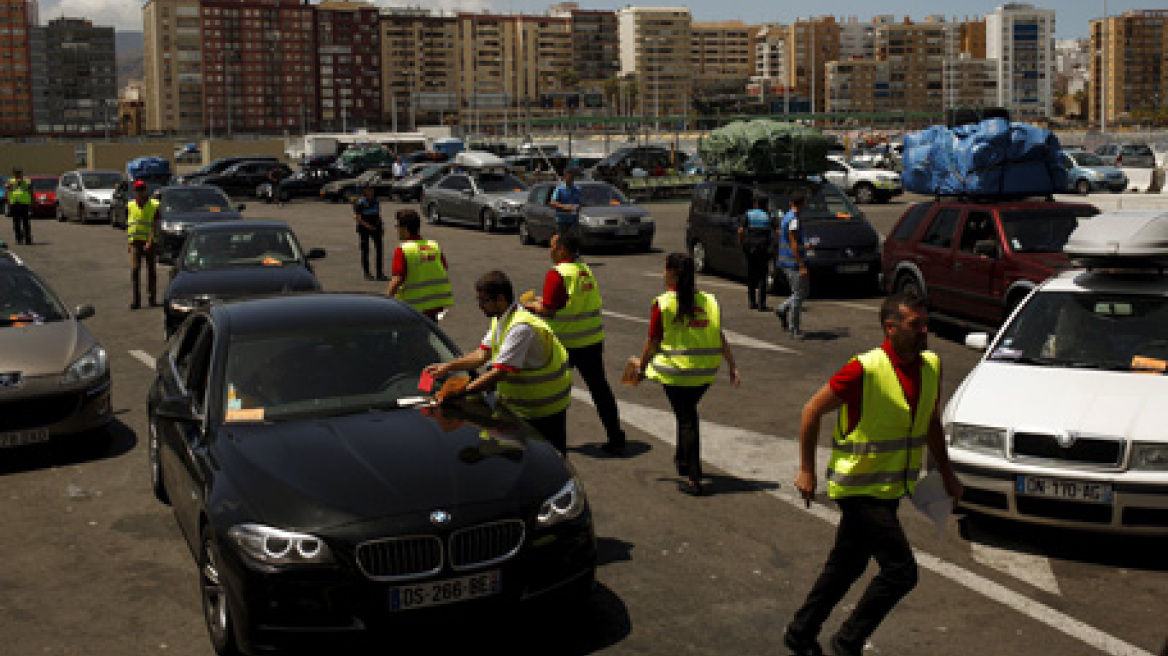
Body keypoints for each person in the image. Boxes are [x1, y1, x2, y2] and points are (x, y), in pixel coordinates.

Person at [783, 293, 963, 656]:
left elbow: (930, 422)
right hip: (859, 489)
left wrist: (946, 473)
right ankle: (847, 642)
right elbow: (811, 411)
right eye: (916, 325)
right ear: (890, 328)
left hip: (891, 488)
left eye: (925, 323)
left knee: (846, 565)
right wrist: (806, 469)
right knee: (901, 571)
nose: (924, 331)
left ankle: (800, 633)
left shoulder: (931, 365)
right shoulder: (864, 369)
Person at [424, 271, 573, 455]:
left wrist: (462, 392)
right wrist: (448, 366)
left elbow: (499, 373)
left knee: (548, 461)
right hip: (520, 407)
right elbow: (481, 355)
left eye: (484, 300)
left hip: (543, 409)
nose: (479, 306)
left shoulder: (521, 327)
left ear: (500, 299)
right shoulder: (502, 320)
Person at [637, 253, 740, 495]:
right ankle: (683, 461)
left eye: (664, 269)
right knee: (686, 415)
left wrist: (641, 368)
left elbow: (652, 342)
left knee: (687, 419)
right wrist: (732, 365)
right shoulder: (710, 301)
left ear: (672, 272)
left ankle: (694, 476)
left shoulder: (664, 303)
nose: (662, 273)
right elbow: (719, 336)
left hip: (675, 374)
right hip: (703, 375)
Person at [524, 233, 627, 455]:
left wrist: (532, 307)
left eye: (551, 247)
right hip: (591, 341)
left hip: (565, 343)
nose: (549, 251)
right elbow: (568, 302)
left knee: (549, 390)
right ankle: (616, 436)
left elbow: (550, 310)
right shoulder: (584, 270)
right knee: (600, 390)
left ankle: (547, 441)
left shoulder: (557, 274)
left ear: (562, 249)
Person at [385, 209, 452, 321]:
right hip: (433, 306)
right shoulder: (433, 246)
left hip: (410, 309)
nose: (396, 230)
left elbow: (397, 279)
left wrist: (386, 300)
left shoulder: (403, 249)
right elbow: (443, 267)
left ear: (405, 229)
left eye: (397, 226)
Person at [775, 193, 809, 339]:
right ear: (801, 204)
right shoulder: (794, 220)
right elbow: (793, 243)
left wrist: (804, 245)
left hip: (787, 260)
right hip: (792, 263)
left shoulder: (787, 216)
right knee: (798, 295)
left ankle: (782, 309)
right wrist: (801, 265)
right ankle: (794, 329)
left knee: (801, 293)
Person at [126, 180, 162, 309]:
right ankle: (136, 301)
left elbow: (155, 225)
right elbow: (130, 225)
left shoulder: (154, 205)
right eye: (137, 189)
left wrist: (150, 241)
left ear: (146, 190)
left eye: (142, 189)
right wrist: (129, 242)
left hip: (149, 242)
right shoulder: (131, 205)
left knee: (151, 271)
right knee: (135, 270)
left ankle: (152, 299)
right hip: (135, 242)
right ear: (135, 191)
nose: (140, 192)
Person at [738, 194, 776, 311]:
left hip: (750, 248)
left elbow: (740, 230)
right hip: (763, 249)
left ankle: (752, 302)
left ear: (756, 204)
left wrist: (742, 243)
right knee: (762, 276)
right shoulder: (769, 216)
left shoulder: (748, 214)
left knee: (751, 275)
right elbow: (776, 231)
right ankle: (762, 304)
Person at [353, 185, 386, 281]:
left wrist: (381, 226)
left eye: (372, 190)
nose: (371, 192)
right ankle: (367, 273)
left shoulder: (375, 201)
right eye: (368, 191)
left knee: (379, 250)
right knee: (365, 251)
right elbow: (356, 217)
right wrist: (367, 226)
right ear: (365, 191)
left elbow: (378, 214)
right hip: (364, 229)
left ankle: (379, 273)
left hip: (376, 228)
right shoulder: (361, 202)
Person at [549, 167, 583, 238]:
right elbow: (553, 202)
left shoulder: (577, 189)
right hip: (562, 220)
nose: (571, 178)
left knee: (573, 240)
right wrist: (564, 206)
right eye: (569, 176)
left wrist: (578, 207)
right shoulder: (560, 189)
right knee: (563, 241)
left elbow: (580, 202)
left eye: (572, 176)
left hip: (573, 220)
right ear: (565, 177)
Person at [5, 168, 32, 245]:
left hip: (24, 203)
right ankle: (18, 239)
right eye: (16, 173)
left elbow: (30, 190)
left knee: (26, 222)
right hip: (14, 203)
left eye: (19, 173)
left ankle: (28, 238)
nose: (18, 175)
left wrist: (32, 202)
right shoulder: (11, 181)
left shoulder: (27, 181)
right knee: (16, 222)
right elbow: (7, 188)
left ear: (21, 173)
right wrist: (8, 202)